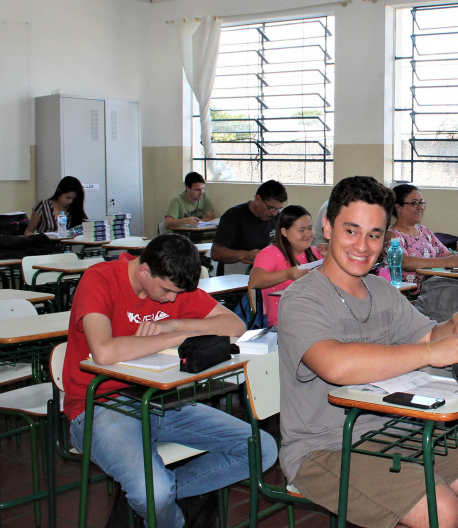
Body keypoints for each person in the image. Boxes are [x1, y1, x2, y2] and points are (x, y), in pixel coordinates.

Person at [277, 176, 458, 528]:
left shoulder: (381, 290)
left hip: (388, 428)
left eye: (374, 234)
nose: (362, 245)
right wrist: (429, 352)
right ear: (328, 227)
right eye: (351, 231)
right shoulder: (301, 298)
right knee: (441, 510)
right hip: (323, 447)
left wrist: (455, 322)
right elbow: (335, 365)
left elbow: (427, 334)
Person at [61, 234, 278, 526]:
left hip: (159, 402)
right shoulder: (100, 279)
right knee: (154, 493)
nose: (172, 299)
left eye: (177, 293)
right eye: (166, 291)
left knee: (261, 449)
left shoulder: (173, 281)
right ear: (144, 271)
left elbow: (235, 326)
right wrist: (177, 337)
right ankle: (158, 505)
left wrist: (175, 325)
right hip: (100, 407)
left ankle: (153, 500)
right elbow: (104, 351)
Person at [384, 184, 458, 289]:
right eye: (414, 203)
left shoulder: (424, 231)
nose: (420, 207)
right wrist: (444, 262)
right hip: (410, 292)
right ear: (398, 207)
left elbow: (447, 254)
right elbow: (404, 262)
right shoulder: (392, 235)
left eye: (421, 202)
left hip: (433, 286)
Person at [249, 205, 323, 326]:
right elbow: (254, 281)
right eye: (301, 230)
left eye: (310, 228)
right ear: (284, 232)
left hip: (314, 318)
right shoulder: (270, 253)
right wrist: (287, 274)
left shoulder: (315, 253)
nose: (308, 234)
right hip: (283, 323)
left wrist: (330, 255)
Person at [211, 180, 287, 275]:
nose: (274, 213)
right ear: (258, 199)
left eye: (278, 209)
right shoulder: (233, 216)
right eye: (271, 208)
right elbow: (216, 253)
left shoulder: (275, 217)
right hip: (232, 275)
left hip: (260, 272)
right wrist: (246, 255)